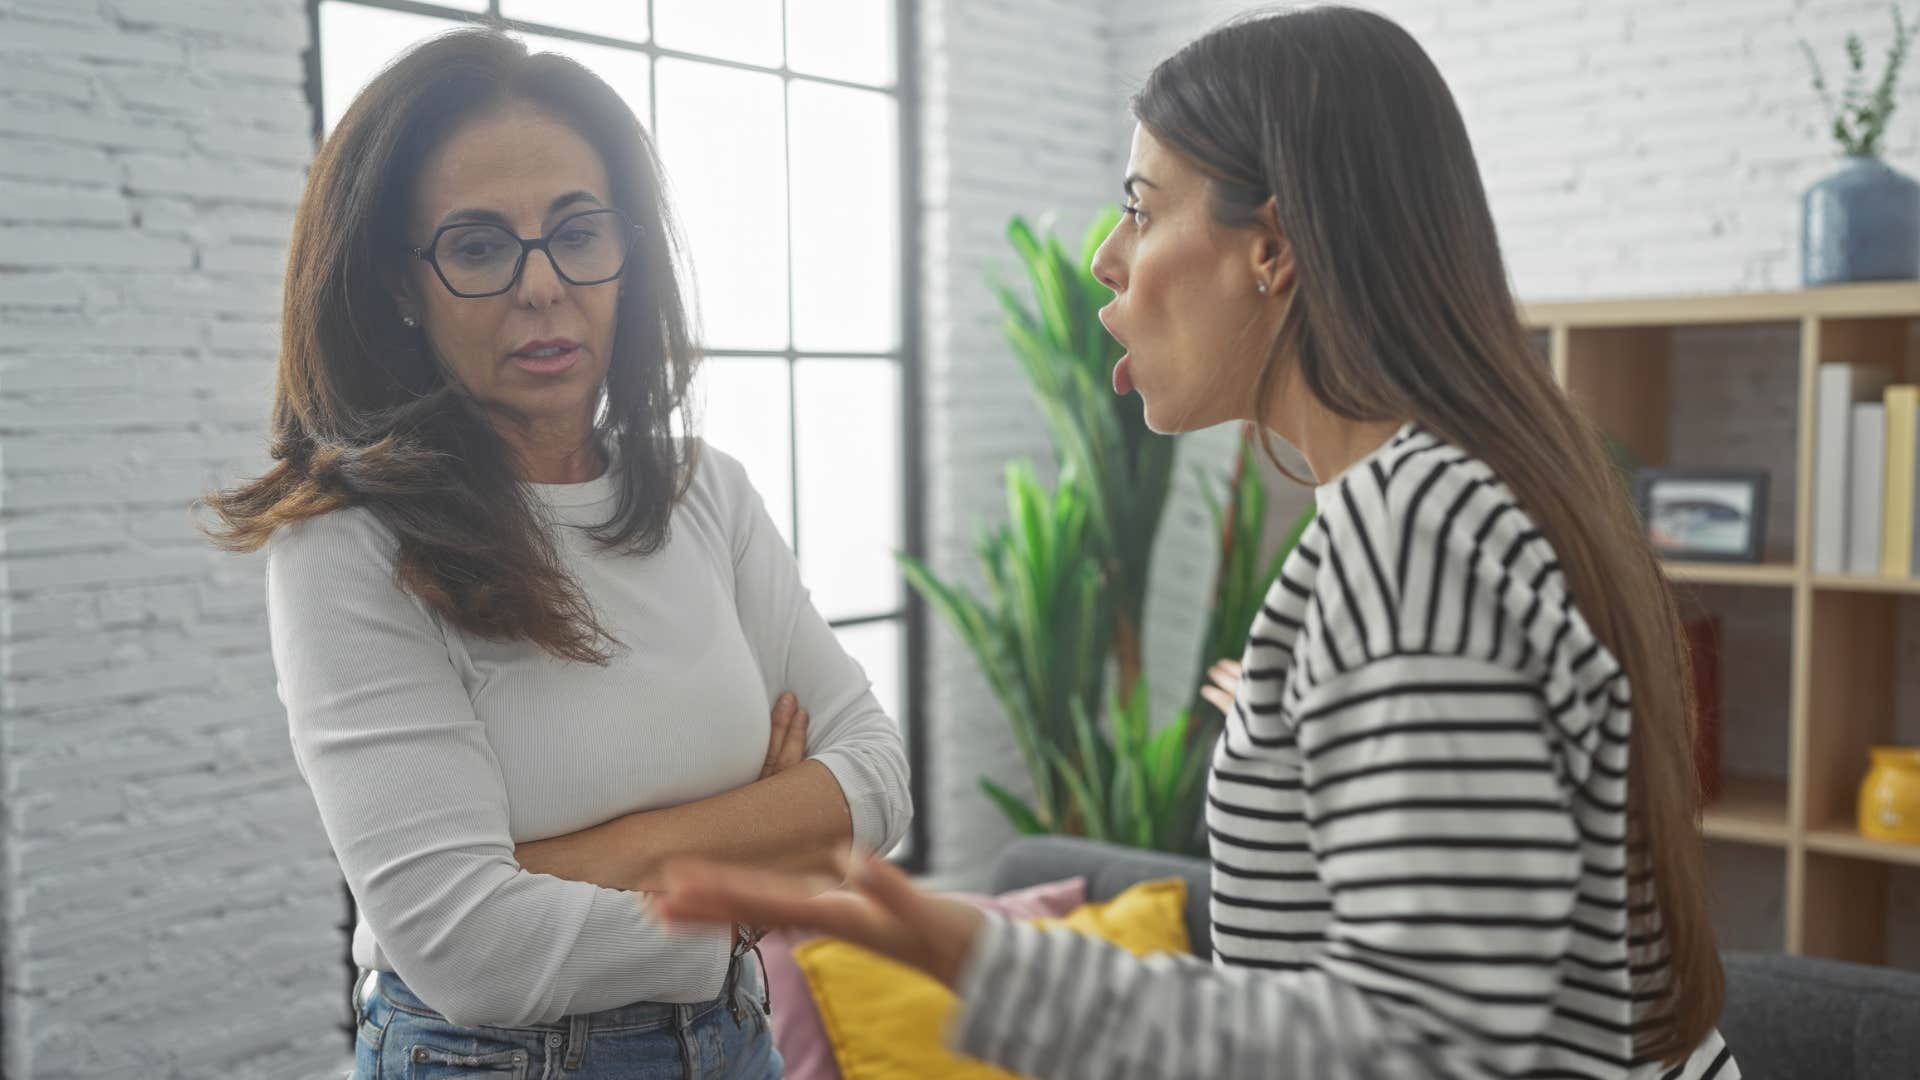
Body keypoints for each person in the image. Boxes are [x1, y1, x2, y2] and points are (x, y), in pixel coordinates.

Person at [651, 7, 1738, 1078]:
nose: (1106, 259)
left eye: (1141, 206)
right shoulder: (1426, 506)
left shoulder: (1414, 530)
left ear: (1273, 248)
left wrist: (976, 958)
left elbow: (1425, 1047)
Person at [203, 27, 910, 1080]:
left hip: (736, 1041)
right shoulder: (347, 542)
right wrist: (770, 845)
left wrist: (564, 868)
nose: (543, 285)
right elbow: (472, 953)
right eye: (480, 246)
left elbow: (880, 782)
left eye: (579, 230)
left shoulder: (703, 488)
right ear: (401, 284)